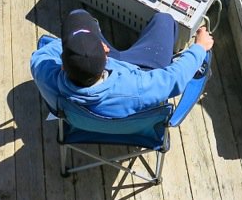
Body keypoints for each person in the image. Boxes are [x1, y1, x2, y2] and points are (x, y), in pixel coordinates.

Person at [31, 9, 214, 118]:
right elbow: (174, 78)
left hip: (77, 124)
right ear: (106, 52)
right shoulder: (138, 89)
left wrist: (75, 49)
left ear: (62, 66)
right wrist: (199, 47)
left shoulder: (43, 74)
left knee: (79, 15)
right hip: (134, 72)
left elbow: (43, 53)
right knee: (164, 20)